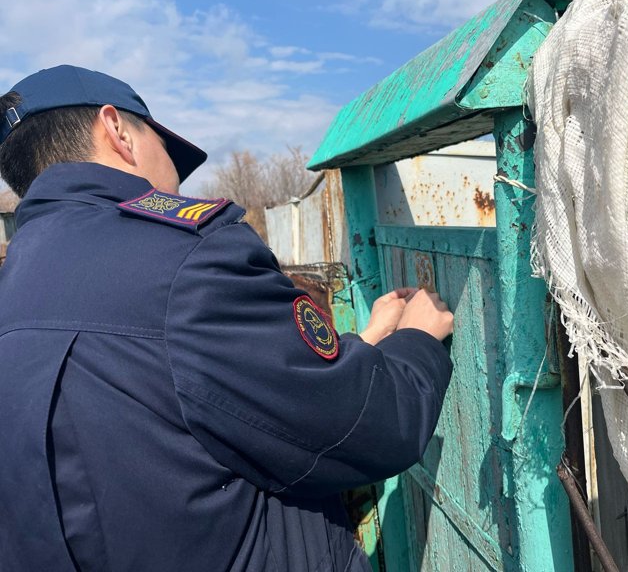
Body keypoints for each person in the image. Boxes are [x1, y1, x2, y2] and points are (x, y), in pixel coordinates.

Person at [0, 65, 454, 571]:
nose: (174, 176)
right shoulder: (183, 261)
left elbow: (178, 395)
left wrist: (364, 341)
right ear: (117, 130)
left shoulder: (18, 284)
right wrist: (416, 337)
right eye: (167, 152)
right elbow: (371, 425)